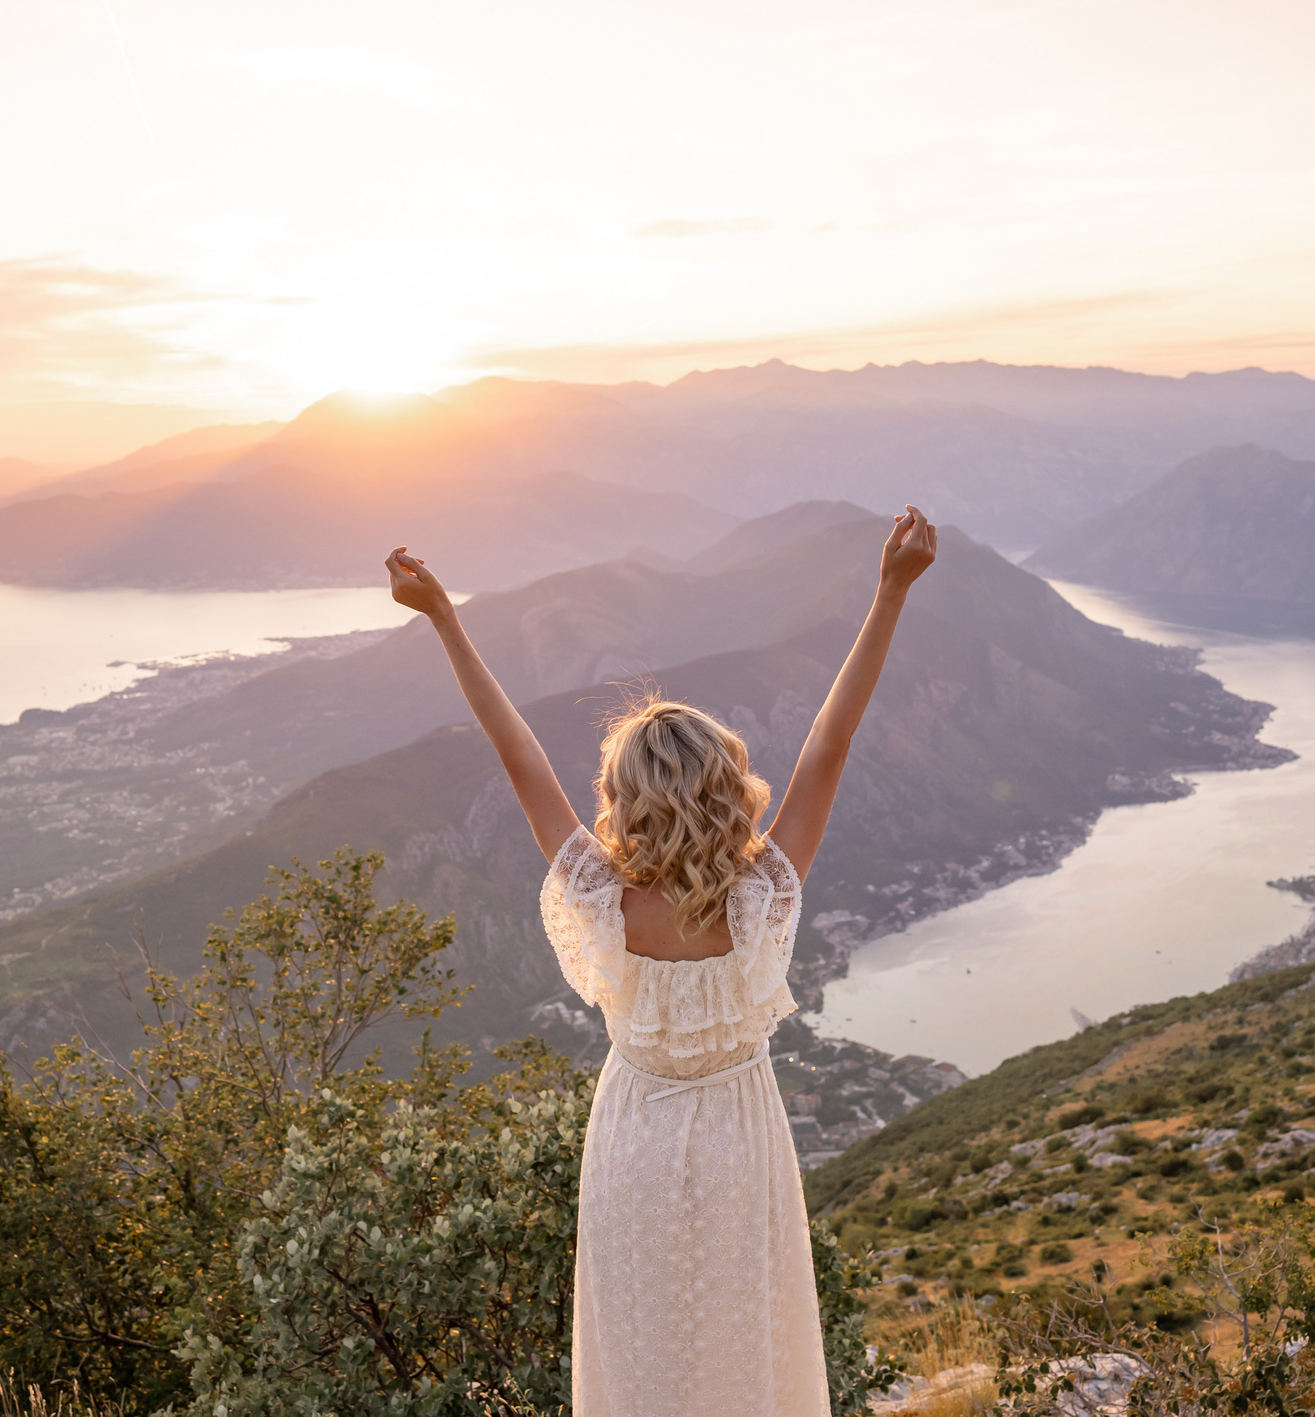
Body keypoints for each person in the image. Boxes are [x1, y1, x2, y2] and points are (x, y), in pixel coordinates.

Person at [383, 507, 939, 1417]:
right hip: (740, 1136)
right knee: (745, 1346)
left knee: (642, 1356)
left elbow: (513, 745)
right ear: (728, 787)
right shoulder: (763, 894)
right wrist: (890, 592)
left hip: (633, 1137)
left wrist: (445, 617)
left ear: (622, 798)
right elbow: (829, 745)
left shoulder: (601, 896)